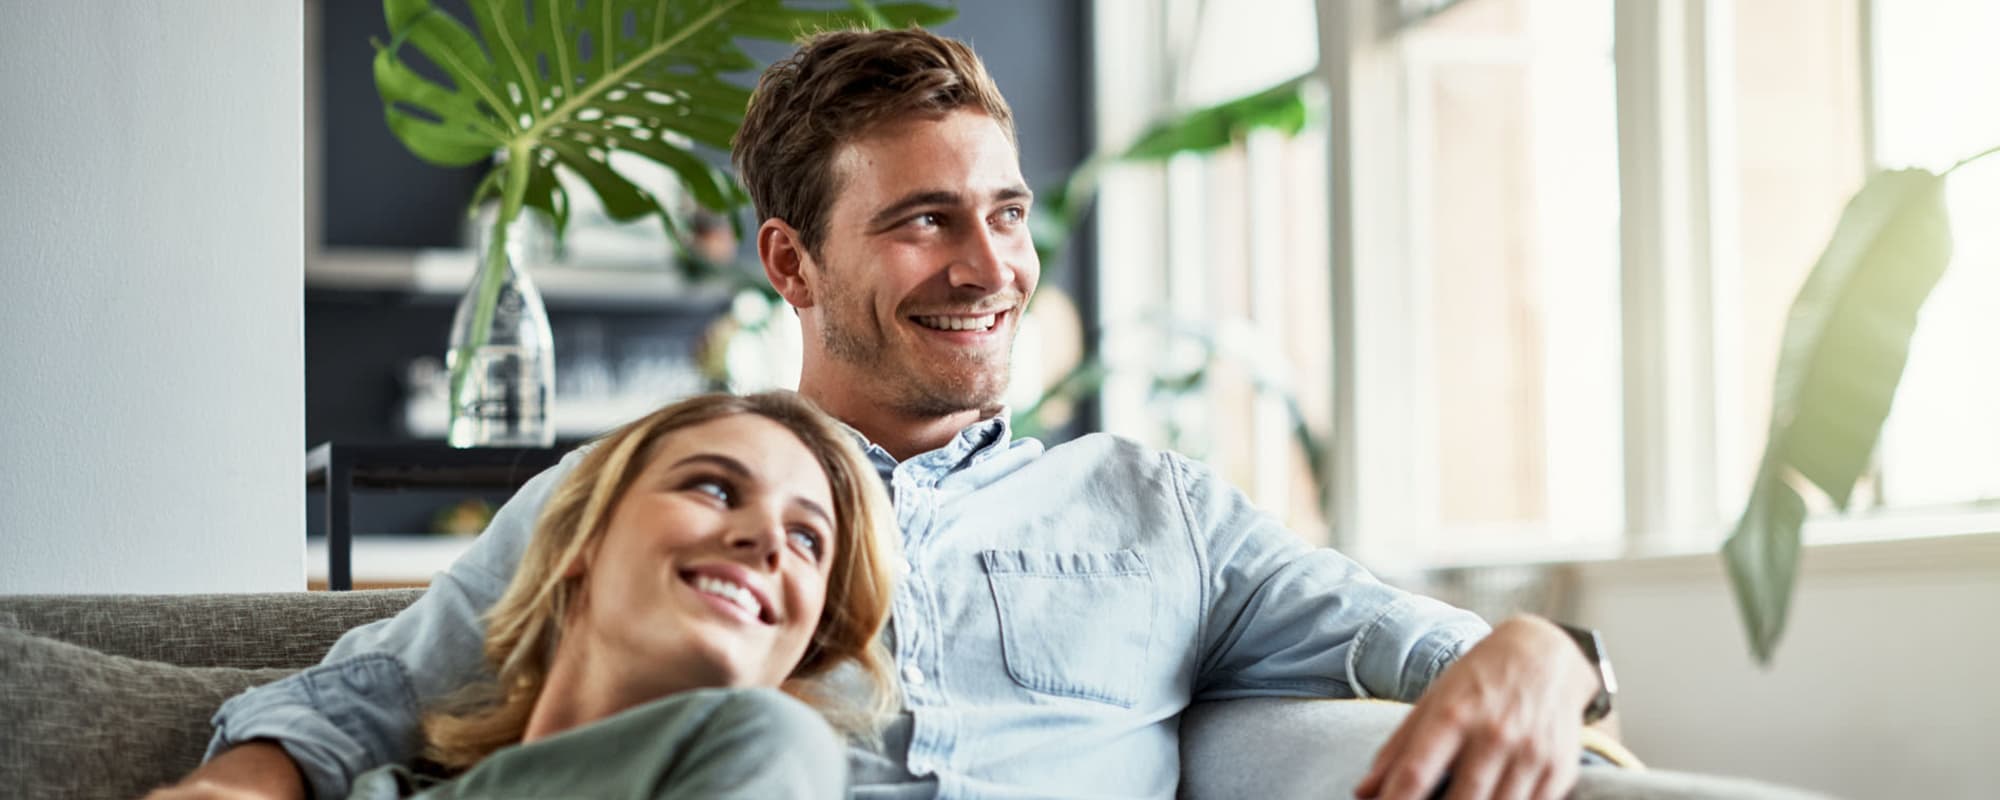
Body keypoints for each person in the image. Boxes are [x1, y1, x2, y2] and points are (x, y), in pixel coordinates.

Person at [177, 28, 1614, 800]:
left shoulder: (1159, 512)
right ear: (792, 263)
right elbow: (360, 696)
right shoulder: (666, 500)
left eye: (1004, 213)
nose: (989, 269)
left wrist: (1547, 652)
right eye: (926, 223)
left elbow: (1423, 643)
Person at [155, 392, 899, 799]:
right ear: (580, 542)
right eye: (712, 486)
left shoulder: (777, 745)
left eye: (808, 540)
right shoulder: (382, 787)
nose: (769, 539)